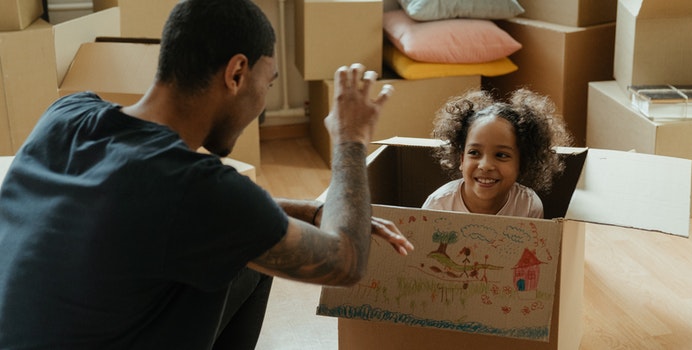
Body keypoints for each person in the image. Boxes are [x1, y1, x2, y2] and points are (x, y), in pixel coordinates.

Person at [0, 0, 413, 349]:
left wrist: (309, 211)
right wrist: (350, 139)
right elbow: (345, 262)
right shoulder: (194, 188)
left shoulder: (65, 116)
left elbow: (142, 212)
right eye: (267, 84)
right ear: (236, 74)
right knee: (244, 248)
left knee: (247, 251)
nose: (262, 107)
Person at [422, 88, 572, 218]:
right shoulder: (438, 205)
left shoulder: (528, 207)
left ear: (521, 163)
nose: (486, 165)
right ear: (462, 159)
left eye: (501, 155)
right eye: (474, 152)